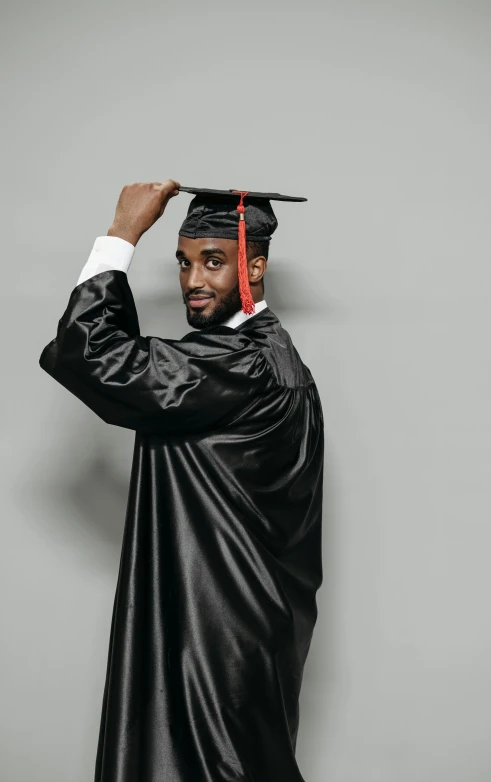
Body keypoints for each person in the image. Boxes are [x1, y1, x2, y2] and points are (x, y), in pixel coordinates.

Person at [39, 179, 325, 782]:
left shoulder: (242, 366)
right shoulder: (268, 359)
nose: (194, 281)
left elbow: (90, 355)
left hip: (216, 640)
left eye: (214, 263)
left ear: (255, 265)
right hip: (232, 628)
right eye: (185, 262)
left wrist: (121, 234)